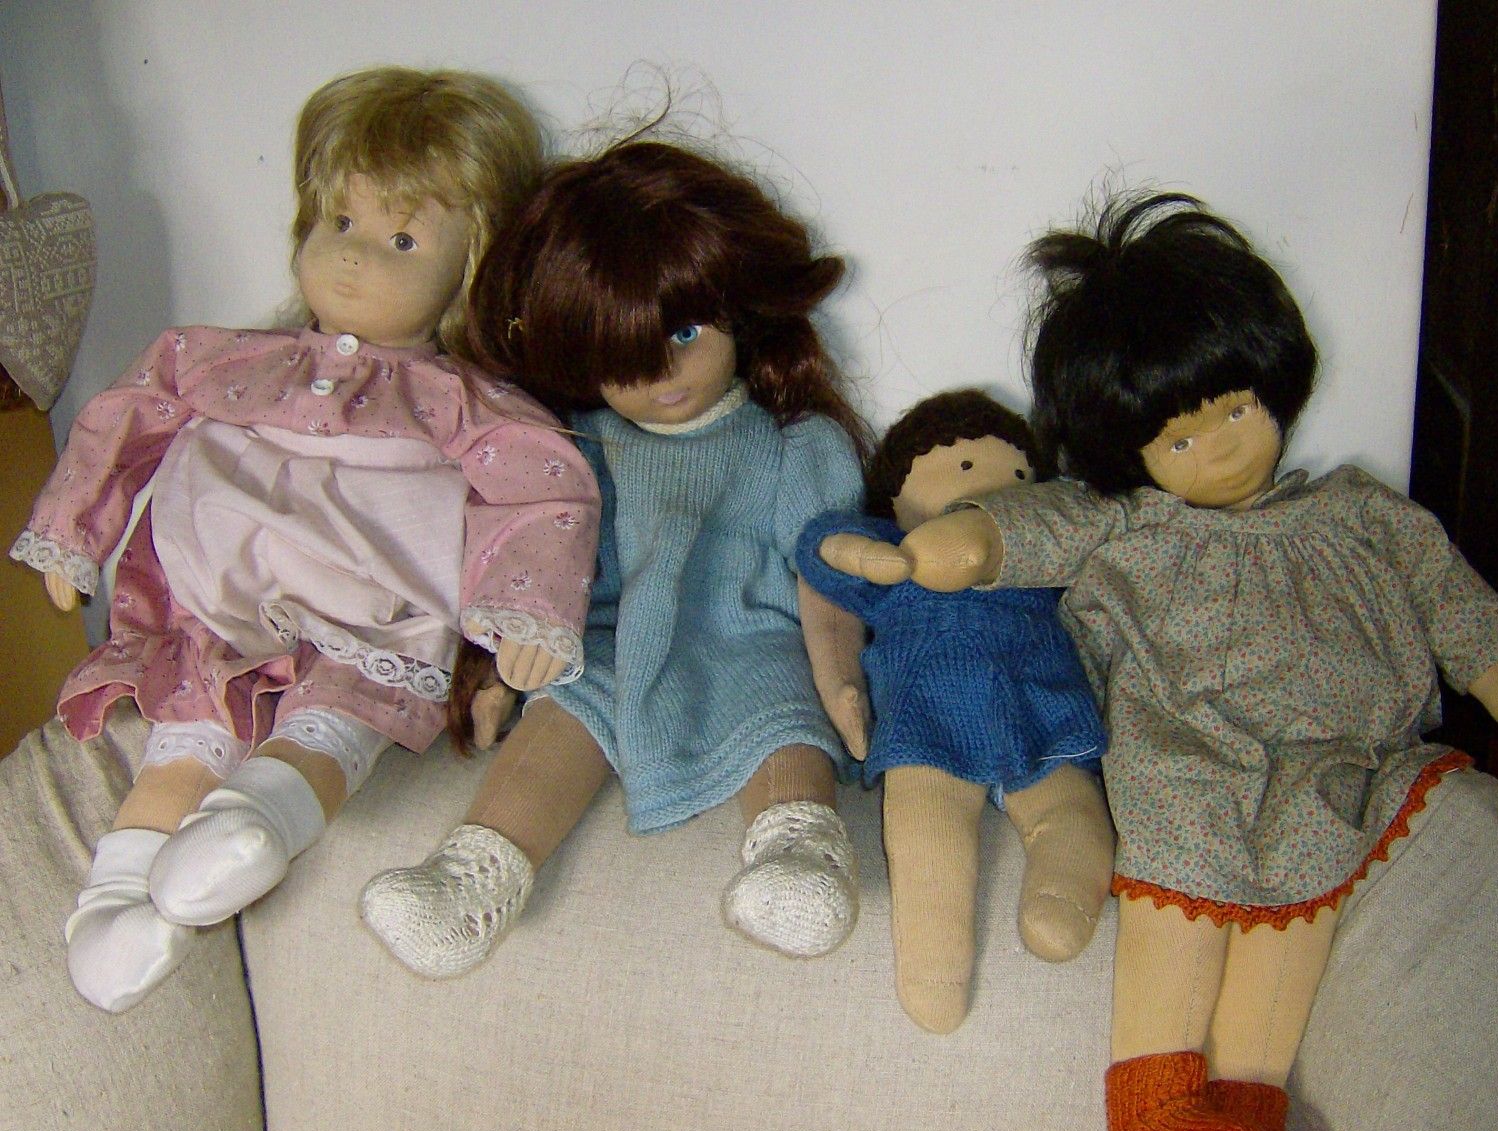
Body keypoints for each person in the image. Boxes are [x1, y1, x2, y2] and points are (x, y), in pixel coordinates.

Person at [819, 193, 1498, 1131]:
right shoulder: (1123, 522)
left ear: (1275, 384)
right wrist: (944, 549)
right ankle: (1152, 1117)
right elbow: (1021, 530)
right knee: (1183, 877)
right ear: (1127, 452)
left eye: (1234, 409)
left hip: (1331, 764)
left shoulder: (1360, 511)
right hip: (1183, 756)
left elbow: (1450, 600)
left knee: (1299, 900)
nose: (1218, 447)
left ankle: (1248, 1114)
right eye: (1179, 439)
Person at [10, 67, 598, 1013]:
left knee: (337, 715)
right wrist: (72, 531)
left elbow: (545, 489)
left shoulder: (459, 401)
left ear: (470, 266)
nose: (354, 257)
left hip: (369, 621)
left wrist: (525, 615)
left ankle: (264, 817)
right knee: (187, 731)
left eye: (401, 239)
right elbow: (124, 418)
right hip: (216, 607)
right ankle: (116, 902)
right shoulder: (219, 359)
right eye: (340, 222)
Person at [361, 139, 873, 978]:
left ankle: (800, 853)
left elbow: (824, 578)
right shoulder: (574, 448)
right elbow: (536, 564)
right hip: (608, 643)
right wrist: (497, 666)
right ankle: (474, 876)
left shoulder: (794, 446)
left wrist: (841, 678)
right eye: (621, 359)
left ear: (738, 309)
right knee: (565, 712)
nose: (662, 375)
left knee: (783, 718)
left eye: (684, 332)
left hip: (757, 642)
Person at [798, 388, 1112, 1034]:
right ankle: (933, 968)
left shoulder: (1033, 555)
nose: (992, 488)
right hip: (929, 725)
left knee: (1073, 815)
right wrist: (877, 558)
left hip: (1044, 716)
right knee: (924, 838)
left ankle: (1061, 897)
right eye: (964, 468)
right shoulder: (893, 553)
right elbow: (819, 548)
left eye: (1019, 475)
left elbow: (1091, 534)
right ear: (895, 497)